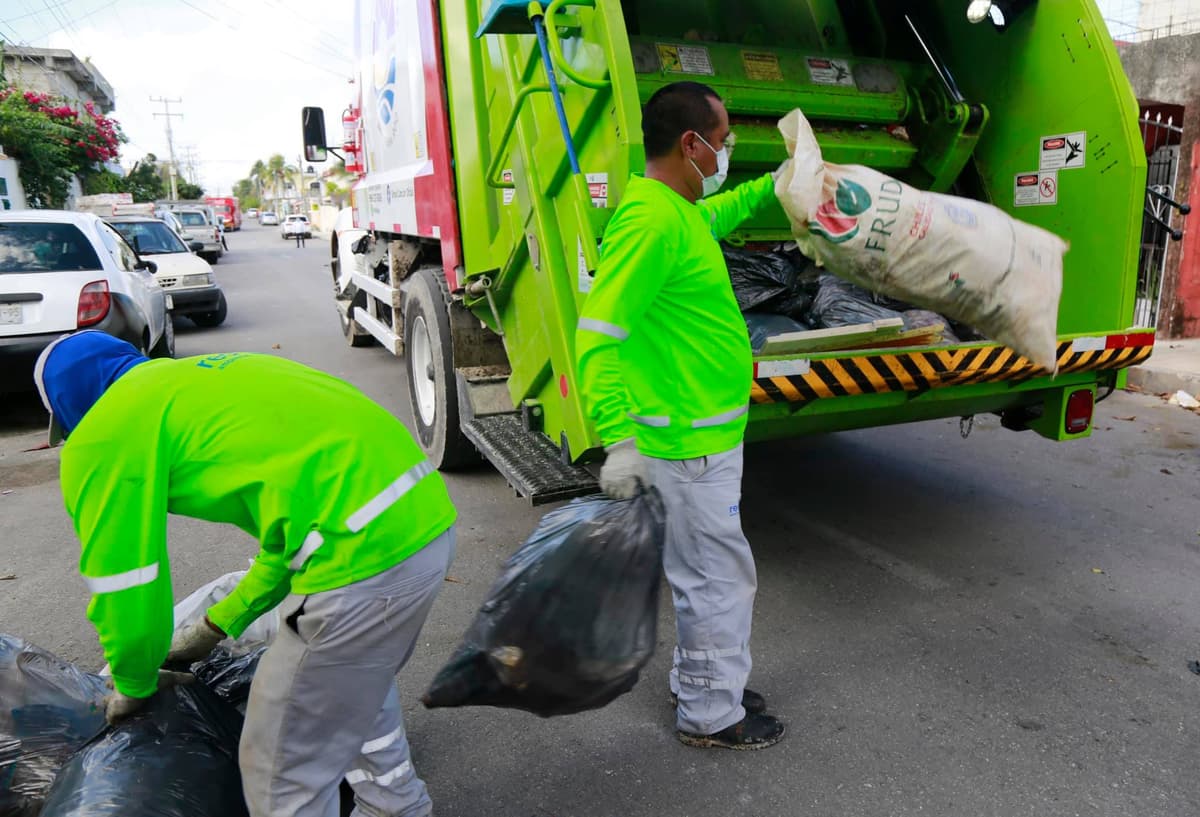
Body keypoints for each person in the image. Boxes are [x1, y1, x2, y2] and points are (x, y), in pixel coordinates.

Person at [35, 330, 457, 817]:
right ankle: (396, 807)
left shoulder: (102, 434)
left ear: (68, 402)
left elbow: (127, 584)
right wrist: (216, 624)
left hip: (361, 560)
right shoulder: (199, 379)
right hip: (423, 526)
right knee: (348, 689)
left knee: (280, 769)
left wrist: (133, 681)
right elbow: (288, 539)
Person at [575, 81, 785, 750]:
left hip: (704, 434)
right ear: (691, 144)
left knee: (709, 575)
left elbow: (716, 214)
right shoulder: (651, 223)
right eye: (722, 142)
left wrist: (775, 185)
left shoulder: (676, 210)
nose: (726, 153)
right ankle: (711, 713)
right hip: (686, 445)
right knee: (717, 581)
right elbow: (597, 335)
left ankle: (705, 682)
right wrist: (619, 439)